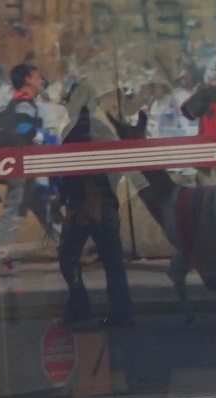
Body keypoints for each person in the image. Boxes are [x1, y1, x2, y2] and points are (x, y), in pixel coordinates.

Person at [55, 93, 133, 330]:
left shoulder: (74, 131)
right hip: (104, 203)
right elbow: (117, 168)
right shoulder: (104, 130)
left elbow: (74, 171)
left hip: (84, 206)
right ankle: (121, 313)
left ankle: (80, 307)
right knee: (113, 262)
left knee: (68, 258)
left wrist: (73, 199)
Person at [0, 63, 47, 274]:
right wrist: (43, 138)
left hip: (27, 169)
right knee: (13, 215)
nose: (41, 81)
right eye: (37, 77)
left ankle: (71, 251)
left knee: (47, 211)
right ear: (27, 80)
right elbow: (24, 129)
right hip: (23, 169)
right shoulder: (23, 105)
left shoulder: (19, 105)